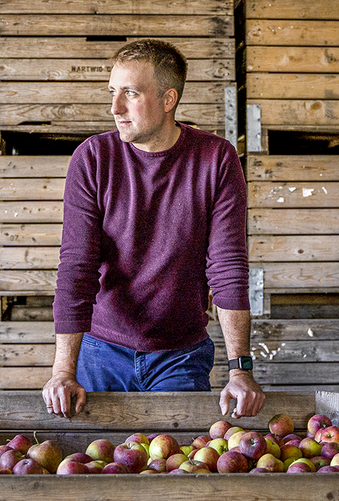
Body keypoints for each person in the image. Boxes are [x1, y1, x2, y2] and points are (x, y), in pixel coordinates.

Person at [42, 39, 265, 420]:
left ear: (168, 99)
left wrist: (240, 369)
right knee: (97, 468)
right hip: (101, 352)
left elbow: (228, 267)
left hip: (180, 354)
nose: (115, 108)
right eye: (113, 93)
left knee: (178, 469)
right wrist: (63, 371)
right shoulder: (94, 158)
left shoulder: (216, 159)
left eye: (130, 93)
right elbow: (77, 267)